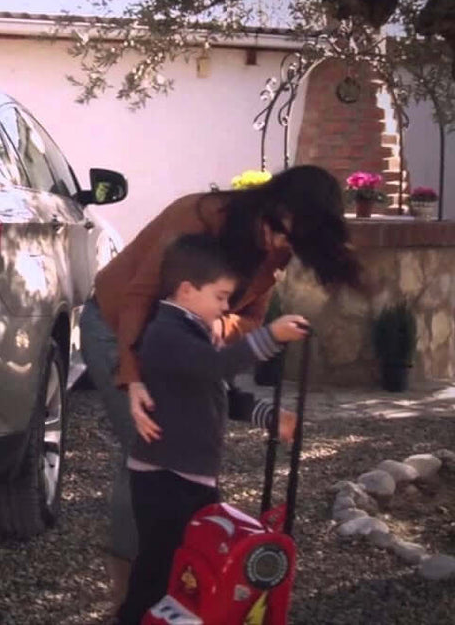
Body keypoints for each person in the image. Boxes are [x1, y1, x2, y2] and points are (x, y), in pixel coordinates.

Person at [78, 164, 362, 611]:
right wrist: (131, 379)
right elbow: (138, 297)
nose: (282, 247)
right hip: (119, 326)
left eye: (294, 243)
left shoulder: (277, 249)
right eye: (282, 232)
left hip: (188, 340)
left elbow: (248, 320)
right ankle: (133, 595)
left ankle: (177, 590)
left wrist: (222, 323)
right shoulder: (196, 217)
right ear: (272, 204)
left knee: (180, 467)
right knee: (146, 442)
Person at [114, 234, 309, 624]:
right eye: (220, 297)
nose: (225, 309)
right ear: (187, 291)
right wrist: (271, 336)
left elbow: (223, 393)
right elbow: (215, 368)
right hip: (165, 476)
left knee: (194, 559)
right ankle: (133, 618)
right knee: (162, 563)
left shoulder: (194, 332)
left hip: (191, 473)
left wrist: (270, 417)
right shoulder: (167, 334)